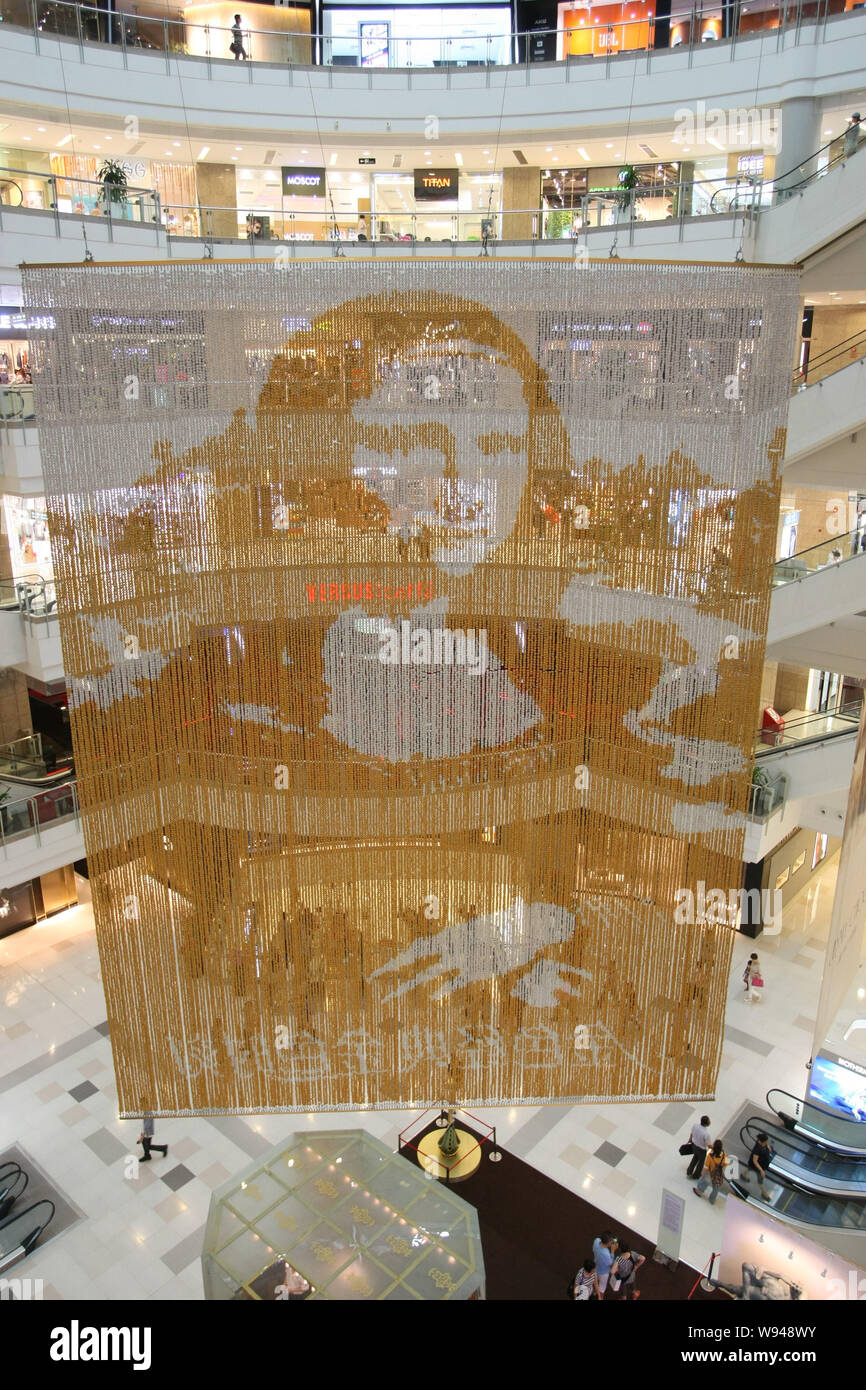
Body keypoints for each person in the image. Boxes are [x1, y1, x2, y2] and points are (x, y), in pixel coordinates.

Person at [693, 1138, 727, 1204]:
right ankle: (712, 1199)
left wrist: (702, 1174)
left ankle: (699, 1192)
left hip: (710, 1172)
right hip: (718, 1172)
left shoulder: (710, 1156)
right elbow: (725, 1163)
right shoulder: (723, 1154)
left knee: (704, 1181)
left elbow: (706, 1168)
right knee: (716, 1187)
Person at [745, 1131, 772, 1196]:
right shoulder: (757, 1149)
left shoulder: (764, 1144)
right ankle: (764, 1193)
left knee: (749, 1168)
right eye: (766, 1142)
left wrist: (768, 1148)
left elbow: (767, 1148)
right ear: (762, 1141)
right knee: (760, 1180)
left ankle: (743, 1175)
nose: (767, 1143)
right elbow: (755, 1161)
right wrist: (761, 1170)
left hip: (762, 1163)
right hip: (758, 1166)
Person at [591, 1231, 618, 1297]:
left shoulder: (596, 1241)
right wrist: (612, 1251)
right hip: (603, 1272)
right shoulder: (606, 1253)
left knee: (595, 1281)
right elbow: (610, 1263)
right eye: (611, 1241)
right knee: (602, 1288)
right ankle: (600, 1297)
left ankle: (594, 1292)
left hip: (595, 1266)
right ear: (608, 1242)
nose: (612, 1242)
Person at [686, 1113, 712, 1180]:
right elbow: (709, 1145)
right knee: (700, 1163)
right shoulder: (706, 1134)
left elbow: (691, 1133)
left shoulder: (695, 1126)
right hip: (702, 1150)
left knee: (694, 1158)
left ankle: (689, 1171)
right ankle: (696, 1175)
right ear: (707, 1123)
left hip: (694, 1146)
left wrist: (690, 1139)